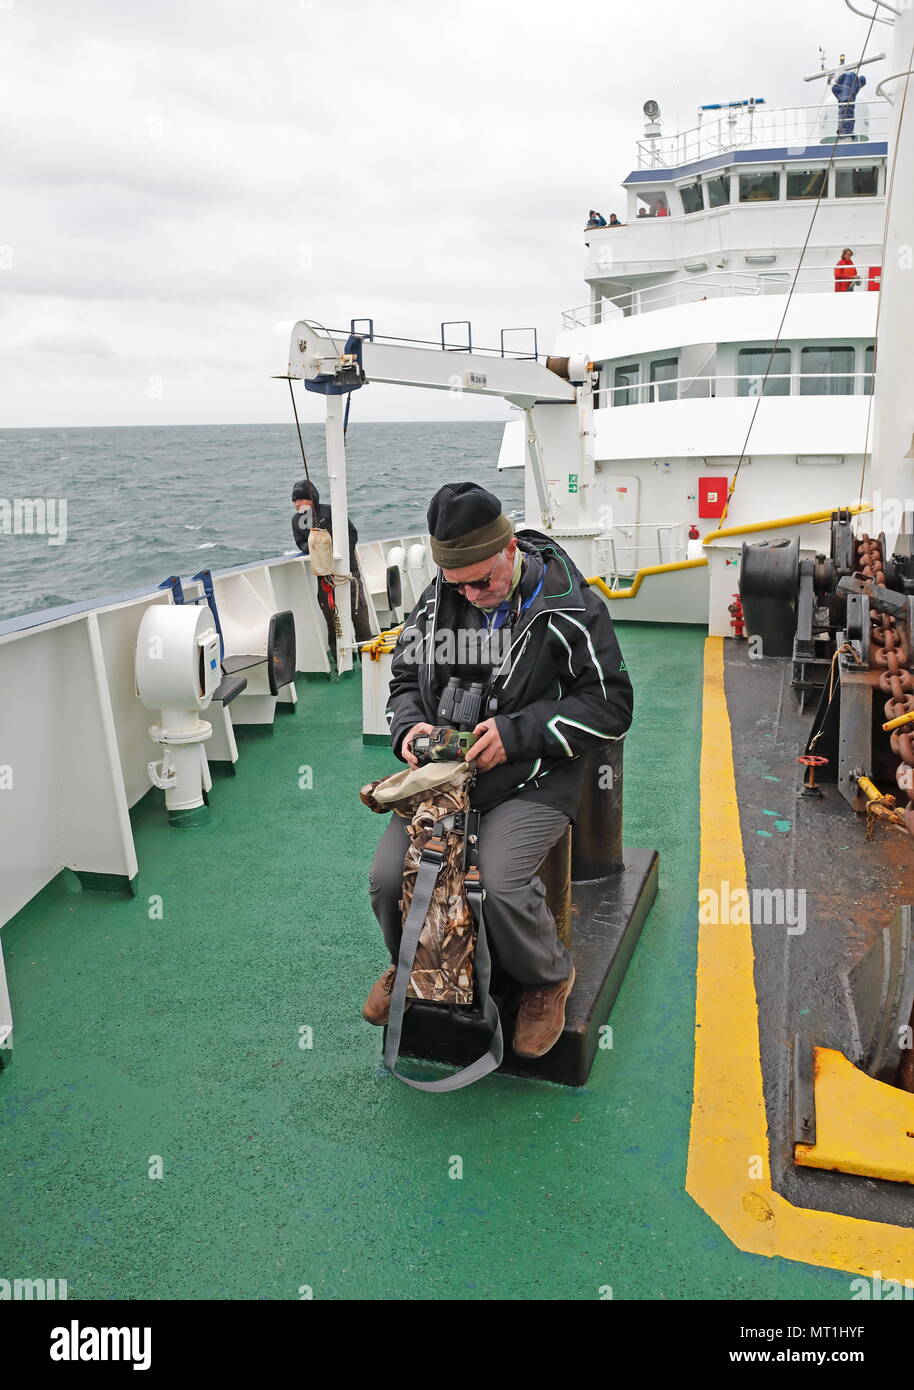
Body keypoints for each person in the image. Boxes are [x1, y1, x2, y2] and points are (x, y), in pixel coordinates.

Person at [362, 482, 634, 1059]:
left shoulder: (570, 607)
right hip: (446, 779)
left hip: (535, 776)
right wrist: (408, 730)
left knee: (501, 883)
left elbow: (612, 705)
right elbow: (405, 680)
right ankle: (405, 964)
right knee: (388, 879)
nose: (472, 595)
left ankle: (547, 978)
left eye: (482, 580)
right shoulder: (441, 599)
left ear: (511, 549)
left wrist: (515, 735)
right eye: (458, 584)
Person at [291, 479, 372, 658]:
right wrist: (314, 547)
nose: (297, 504)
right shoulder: (296, 521)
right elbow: (301, 543)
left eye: (301, 499)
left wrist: (339, 553)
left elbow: (352, 533)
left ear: (312, 499)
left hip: (347, 573)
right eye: (294, 500)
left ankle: (367, 657)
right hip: (324, 578)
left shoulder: (330, 512)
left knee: (359, 616)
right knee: (331, 620)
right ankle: (340, 659)